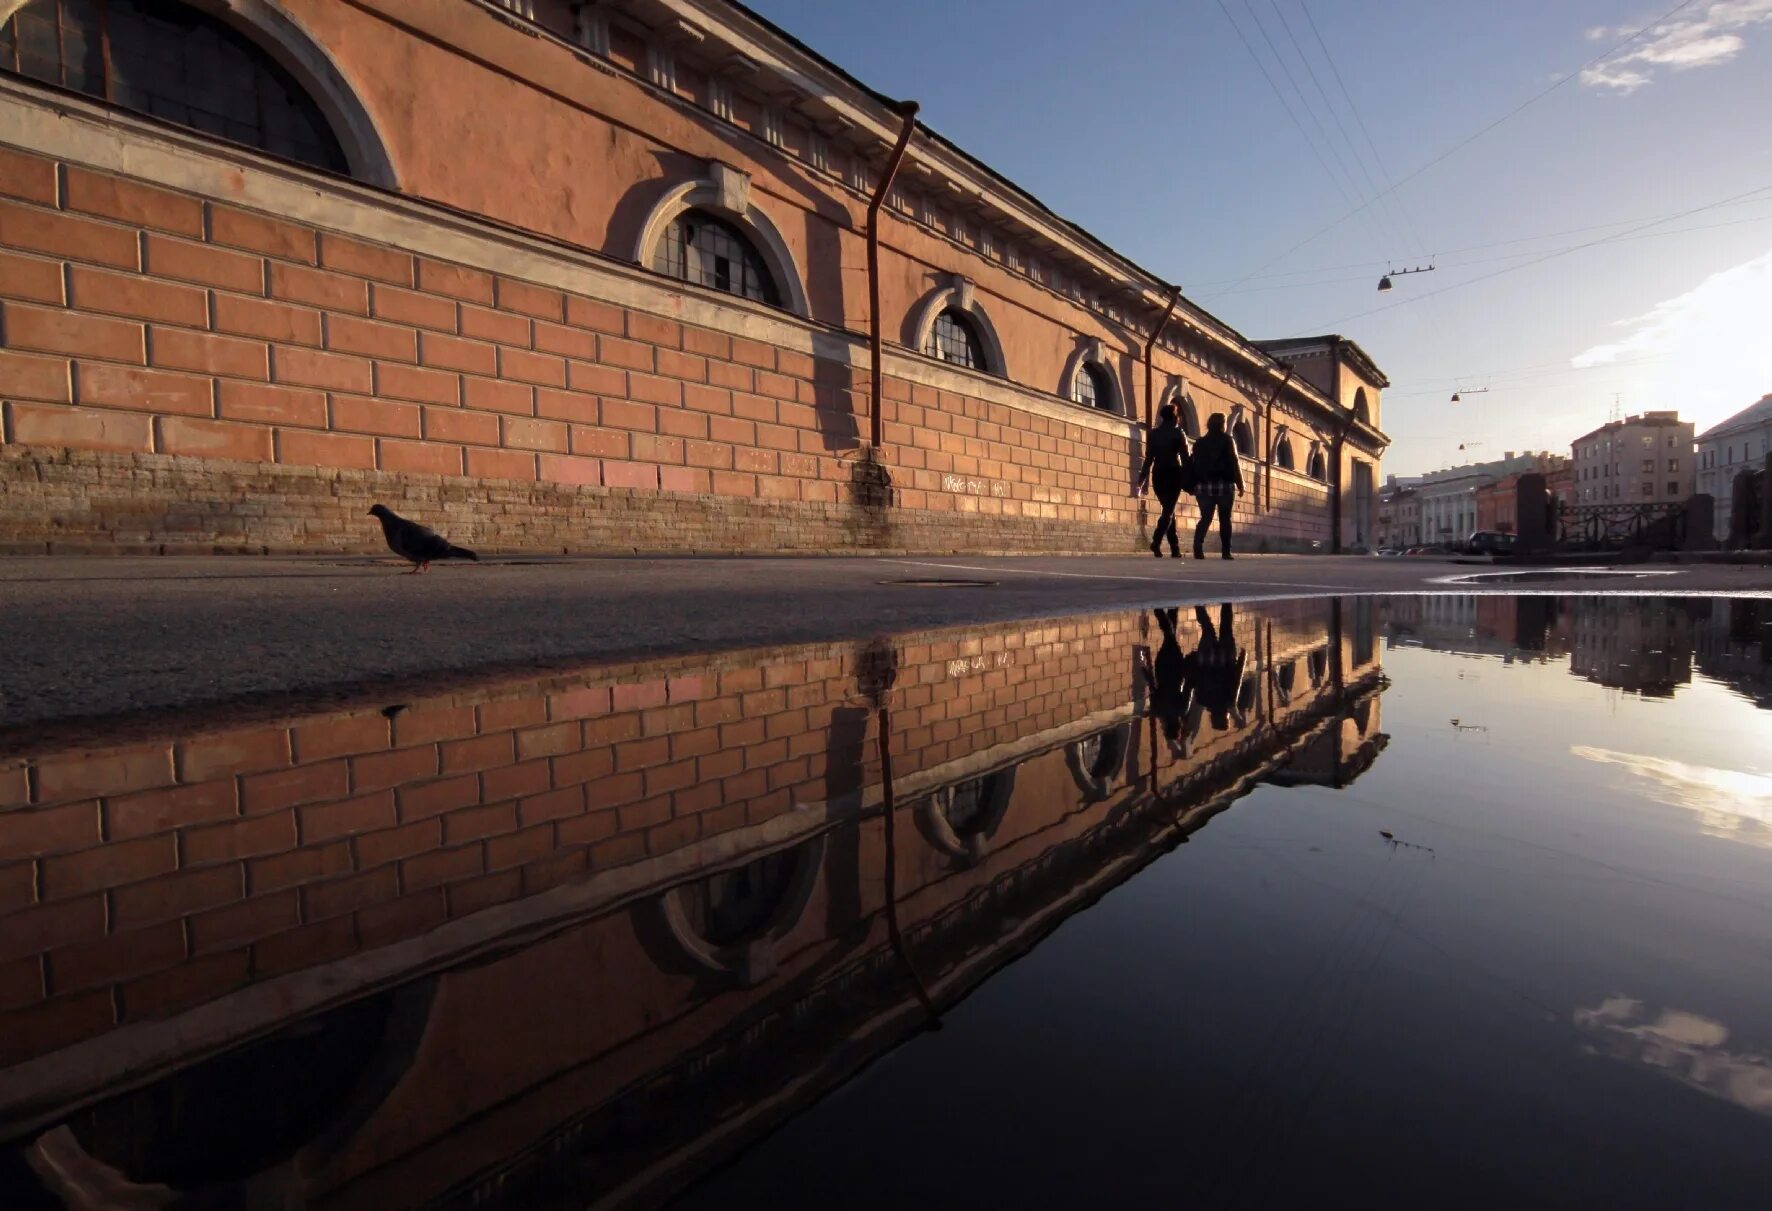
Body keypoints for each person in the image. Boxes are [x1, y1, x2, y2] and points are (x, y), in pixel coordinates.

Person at [1133, 404, 1191, 557]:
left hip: (1158, 474)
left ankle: (1175, 548)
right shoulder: (1179, 433)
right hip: (1174, 474)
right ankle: (1156, 541)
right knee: (1169, 511)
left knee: (1168, 510)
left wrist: (1141, 479)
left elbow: (1148, 459)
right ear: (1174, 417)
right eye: (1178, 415)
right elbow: (1186, 459)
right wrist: (1190, 477)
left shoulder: (1154, 434)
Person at [1189, 413, 1244, 560]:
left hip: (1204, 485)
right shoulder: (1228, 440)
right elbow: (1234, 462)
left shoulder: (1199, 442)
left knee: (1205, 517)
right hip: (1224, 484)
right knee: (1225, 518)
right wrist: (1240, 484)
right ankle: (1226, 552)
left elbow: (1195, 464)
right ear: (1222, 424)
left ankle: (1197, 548)